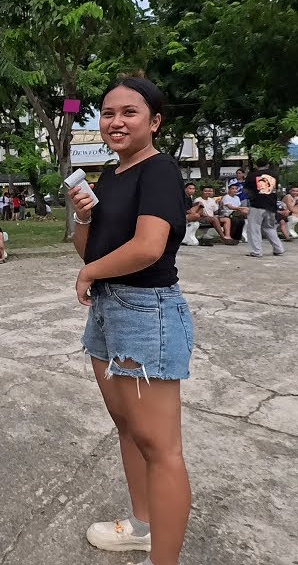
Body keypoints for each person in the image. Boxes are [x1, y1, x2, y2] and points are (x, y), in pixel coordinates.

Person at [69, 76, 194, 564]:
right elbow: (91, 247)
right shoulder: (110, 176)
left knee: (161, 447)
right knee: (127, 426)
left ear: (155, 121)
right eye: (107, 113)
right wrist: (82, 219)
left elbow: (148, 248)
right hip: (107, 312)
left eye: (129, 113)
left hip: (147, 312)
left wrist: (89, 273)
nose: (115, 122)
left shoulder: (159, 171)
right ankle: (143, 525)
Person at [243, 161, 285, 257]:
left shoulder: (252, 175)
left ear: (256, 165)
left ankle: (257, 251)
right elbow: (276, 189)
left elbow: (246, 190)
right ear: (267, 165)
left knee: (254, 228)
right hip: (271, 204)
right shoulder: (274, 175)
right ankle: (279, 249)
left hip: (257, 204)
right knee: (269, 227)